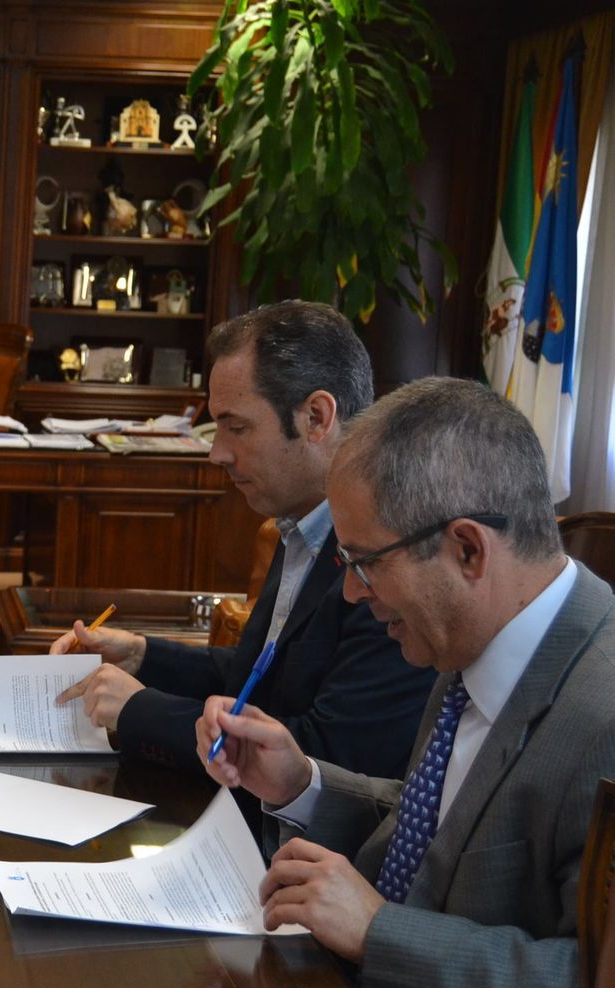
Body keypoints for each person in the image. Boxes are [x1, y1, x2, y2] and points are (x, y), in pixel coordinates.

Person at [198, 377, 615, 988]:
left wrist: (379, 932)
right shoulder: (473, 638)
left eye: (365, 562)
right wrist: (301, 784)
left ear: (468, 550)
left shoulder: (602, 716)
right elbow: (442, 826)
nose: (354, 593)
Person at [49, 301, 432, 810]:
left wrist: (140, 709)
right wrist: (144, 656)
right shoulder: (300, 523)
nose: (217, 453)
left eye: (237, 427)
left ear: (316, 417)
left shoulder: (387, 557)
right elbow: (262, 677)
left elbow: (322, 758)